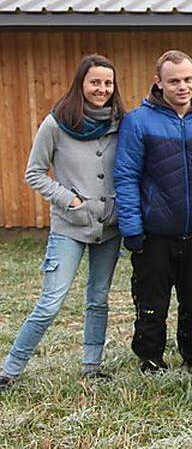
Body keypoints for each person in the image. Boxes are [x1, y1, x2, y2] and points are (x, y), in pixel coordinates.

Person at [1, 55, 126, 390]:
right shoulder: (56, 124)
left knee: (98, 299)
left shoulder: (121, 123)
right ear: (81, 84)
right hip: (69, 227)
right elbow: (34, 173)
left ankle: (91, 366)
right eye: (94, 82)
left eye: (107, 83)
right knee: (50, 302)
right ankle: (10, 369)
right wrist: (68, 198)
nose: (101, 89)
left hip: (109, 227)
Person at [113, 50, 192, 374]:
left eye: (188, 80)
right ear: (159, 83)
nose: (183, 87)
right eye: (174, 81)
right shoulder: (139, 121)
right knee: (152, 303)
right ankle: (150, 358)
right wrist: (132, 228)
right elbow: (126, 176)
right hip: (154, 233)